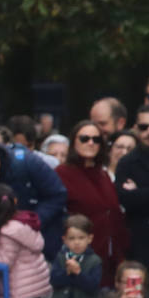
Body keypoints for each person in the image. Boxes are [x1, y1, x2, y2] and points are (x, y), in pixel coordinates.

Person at [56, 120, 129, 285]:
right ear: (74, 141)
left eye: (96, 140)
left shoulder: (103, 174)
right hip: (80, 260)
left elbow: (114, 213)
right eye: (84, 138)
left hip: (112, 258)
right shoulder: (61, 174)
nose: (91, 143)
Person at [116, 103, 149, 298]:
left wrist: (141, 193)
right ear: (136, 128)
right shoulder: (127, 162)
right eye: (144, 127)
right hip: (139, 242)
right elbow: (126, 200)